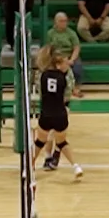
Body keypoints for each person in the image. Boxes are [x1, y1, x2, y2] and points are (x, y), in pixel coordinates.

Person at [32, 51, 83, 179]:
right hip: (60, 114)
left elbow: (40, 91)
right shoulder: (63, 78)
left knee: (39, 142)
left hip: (46, 113)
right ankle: (75, 166)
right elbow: (66, 95)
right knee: (62, 142)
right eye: (65, 62)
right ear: (58, 64)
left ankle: (29, 166)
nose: (68, 65)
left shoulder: (43, 75)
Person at [44, 10, 83, 90]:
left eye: (65, 21)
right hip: (56, 57)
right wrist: (54, 58)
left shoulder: (71, 33)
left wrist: (71, 59)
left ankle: (76, 88)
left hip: (69, 56)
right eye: (61, 21)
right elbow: (48, 48)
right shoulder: (50, 33)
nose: (64, 23)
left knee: (77, 68)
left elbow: (76, 48)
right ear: (56, 22)